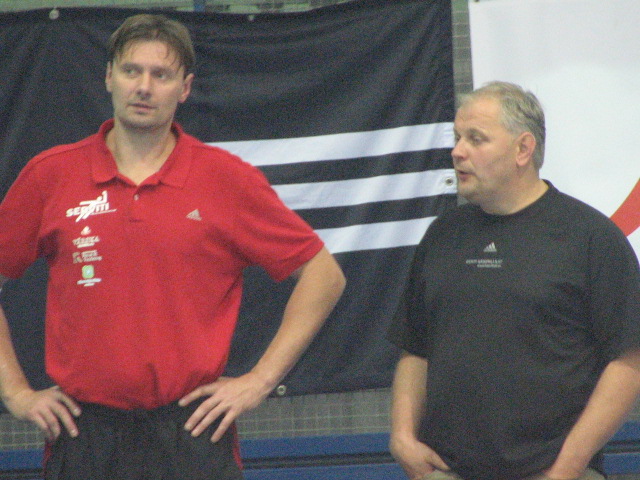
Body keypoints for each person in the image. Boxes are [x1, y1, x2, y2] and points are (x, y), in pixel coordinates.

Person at [0, 13, 346, 480]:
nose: (144, 87)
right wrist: (17, 393)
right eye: (131, 70)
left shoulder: (225, 178)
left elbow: (324, 275)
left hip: (191, 431)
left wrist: (259, 381)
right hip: (83, 434)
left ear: (184, 88)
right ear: (109, 77)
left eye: (161, 75)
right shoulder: (51, 174)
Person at [388, 81, 640, 480]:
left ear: (523, 149)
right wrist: (402, 436)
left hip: (552, 471)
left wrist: (566, 469)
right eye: (457, 138)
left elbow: (628, 361)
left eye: (476, 139)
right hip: (446, 469)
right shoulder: (442, 234)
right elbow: (415, 348)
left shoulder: (590, 237)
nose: (457, 151)